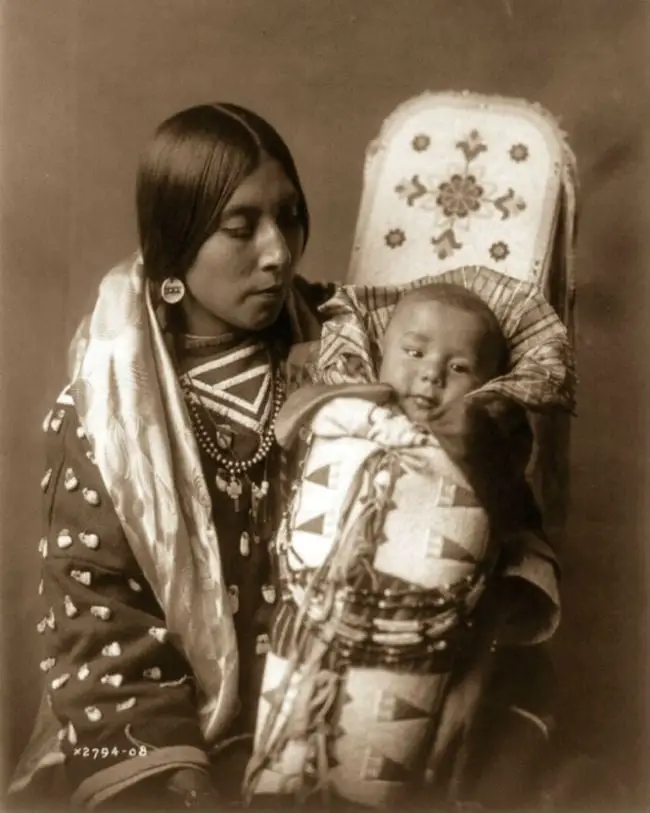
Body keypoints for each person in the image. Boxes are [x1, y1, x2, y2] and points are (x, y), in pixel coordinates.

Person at [8, 103, 576, 812]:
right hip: (177, 727)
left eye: (291, 216)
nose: (279, 251)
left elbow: (486, 506)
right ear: (174, 241)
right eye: (241, 228)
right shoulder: (104, 412)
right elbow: (100, 621)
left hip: (365, 695)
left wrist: (468, 655)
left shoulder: (361, 344)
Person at [243, 283, 561, 809]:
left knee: (375, 776)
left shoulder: (487, 464)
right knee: (281, 766)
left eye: (459, 367)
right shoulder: (340, 419)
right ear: (379, 351)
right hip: (306, 631)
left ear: (489, 384)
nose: (431, 373)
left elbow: (517, 547)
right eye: (414, 353)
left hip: (414, 654)